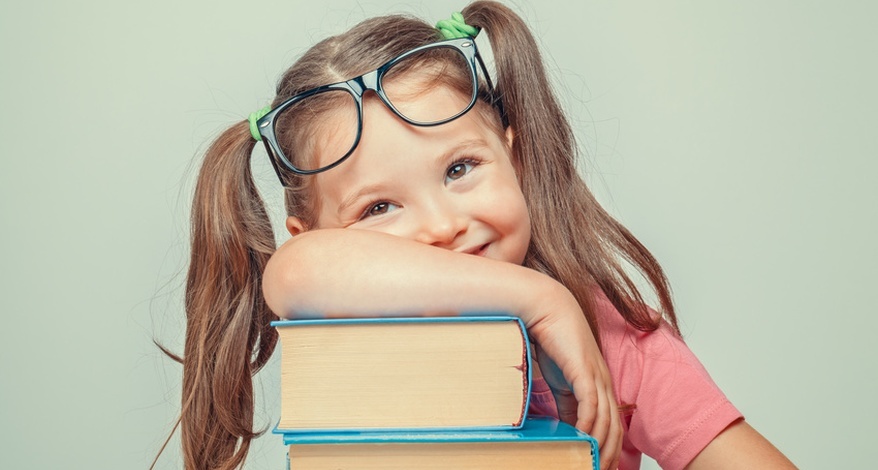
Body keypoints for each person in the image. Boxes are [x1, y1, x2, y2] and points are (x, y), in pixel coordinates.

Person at [170, 2, 796, 469]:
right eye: (380, 206)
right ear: (313, 234)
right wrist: (539, 299)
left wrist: (564, 304)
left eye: (460, 169)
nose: (443, 226)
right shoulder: (334, 308)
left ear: (514, 159)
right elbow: (293, 272)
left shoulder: (616, 338)